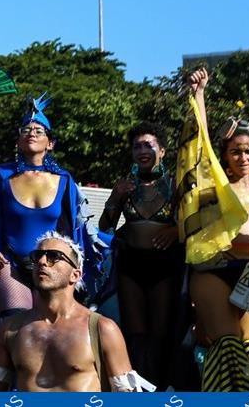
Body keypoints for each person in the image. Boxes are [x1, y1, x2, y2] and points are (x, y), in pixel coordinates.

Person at [183, 67, 249, 391]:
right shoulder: (216, 186)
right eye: (235, 151)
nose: (243, 157)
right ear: (226, 155)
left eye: (248, 151)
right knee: (229, 347)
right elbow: (201, 143)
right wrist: (200, 94)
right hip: (215, 271)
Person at [0, 232, 147, 392]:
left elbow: (127, 396)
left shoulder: (101, 329)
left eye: (54, 257)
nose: (42, 262)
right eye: (37, 256)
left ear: (75, 275)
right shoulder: (11, 329)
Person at [0, 96, 93, 322]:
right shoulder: (0, 175)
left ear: (50, 143)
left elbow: (73, 231)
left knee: (48, 327)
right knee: (16, 324)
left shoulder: (65, 180)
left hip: (50, 265)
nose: (32, 133)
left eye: (39, 131)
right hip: (9, 262)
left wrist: (73, 267)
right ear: (18, 141)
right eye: (26, 130)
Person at [97, 121, 183, 390]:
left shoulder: (176, 183)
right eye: (137, 146)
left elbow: (194, 221)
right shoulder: (126, 185)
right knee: (135, 333)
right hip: (130, 265)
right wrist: (115, 197)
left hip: (165, 265)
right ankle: (136, 390)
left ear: (163, 151)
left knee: (160, 333)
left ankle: (159, 389)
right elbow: (105, 225)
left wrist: (176, 230)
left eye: (149, 145)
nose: (142, 150)